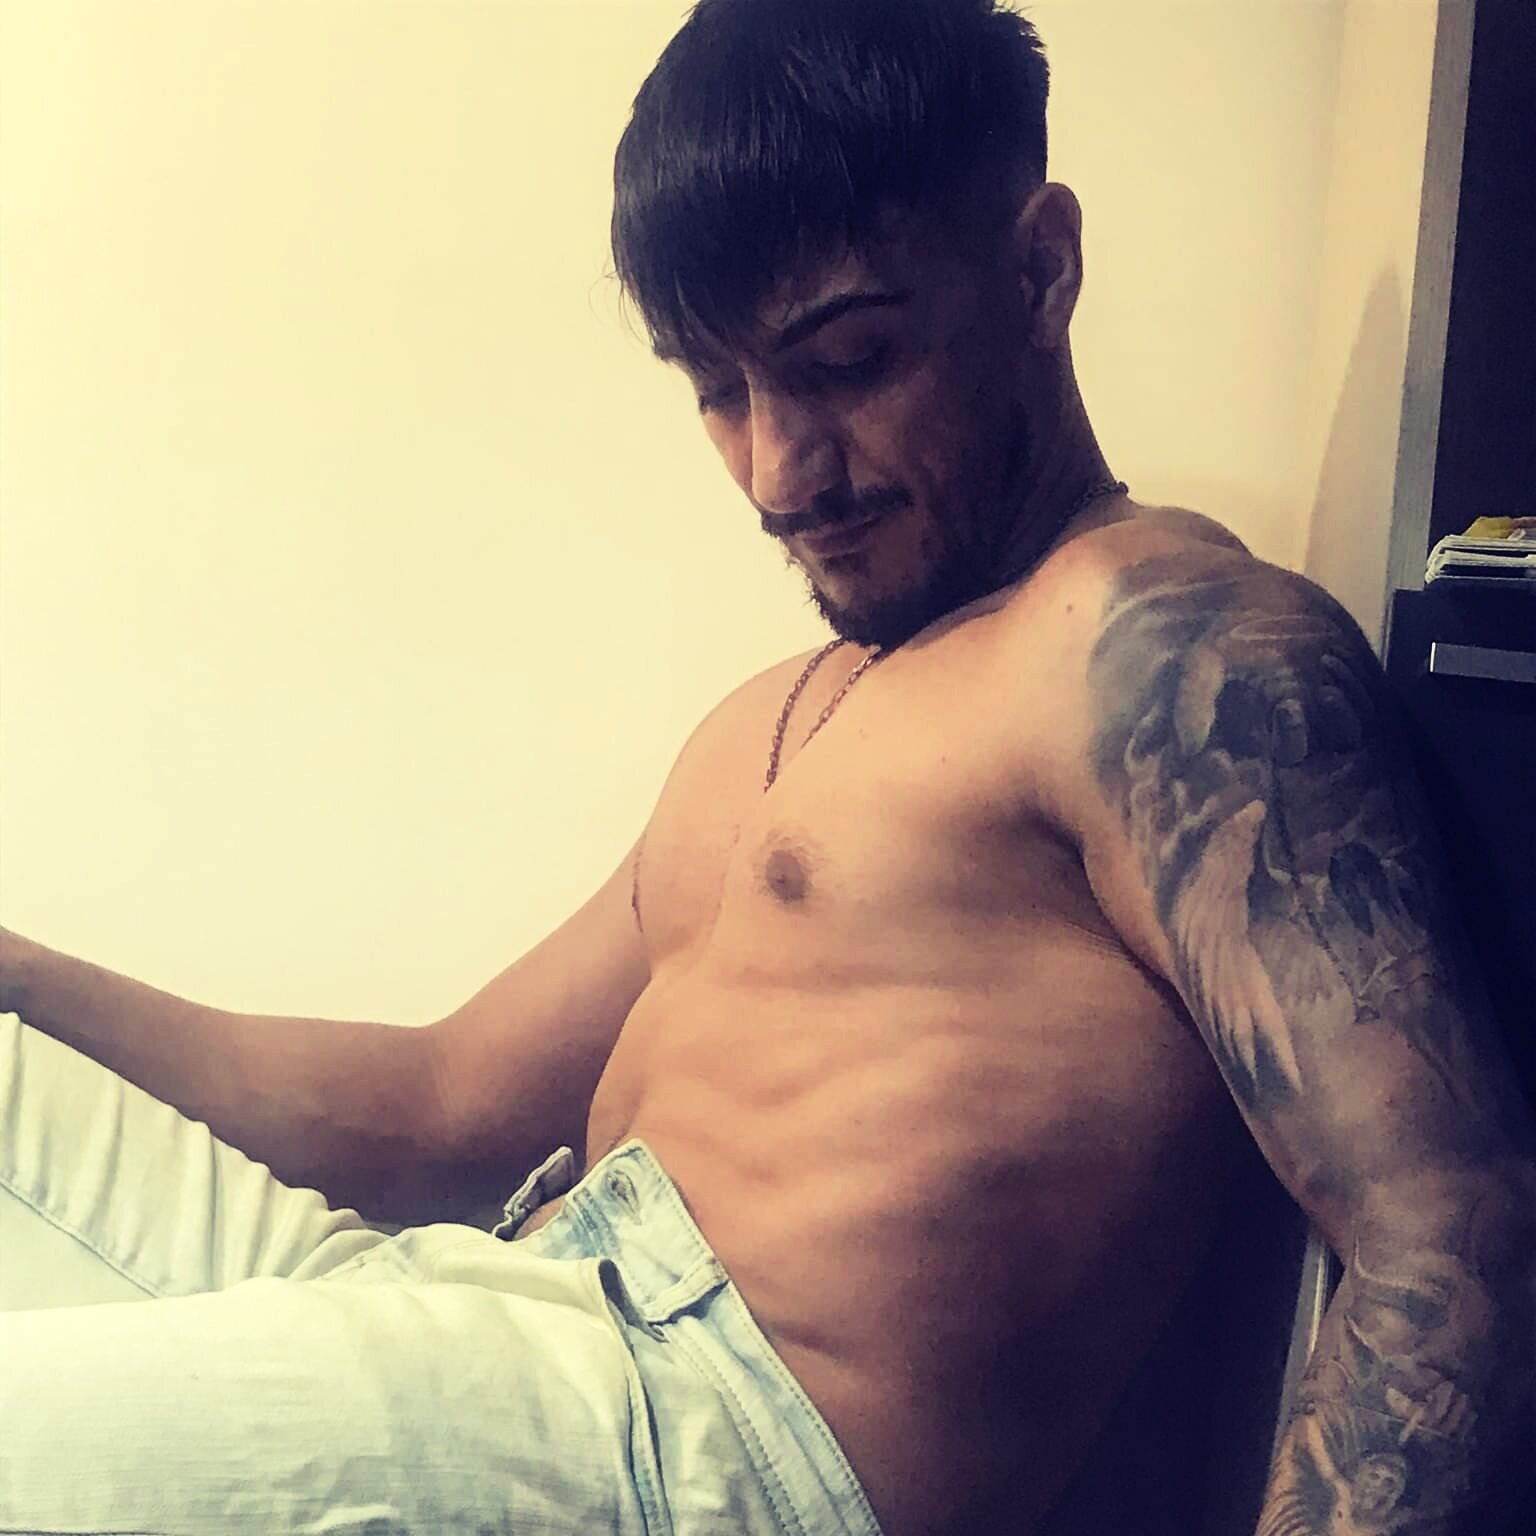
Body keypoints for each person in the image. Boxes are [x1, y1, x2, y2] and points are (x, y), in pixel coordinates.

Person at [1, 1, 1532, 1532]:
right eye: (720, 390)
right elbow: (440, 1105)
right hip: (483, 1303)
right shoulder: (770, 721)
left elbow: (1450, 1235)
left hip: (685, 1433)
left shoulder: (1157, 645)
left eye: (848, 360)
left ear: (1040, 267)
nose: (781, 470)